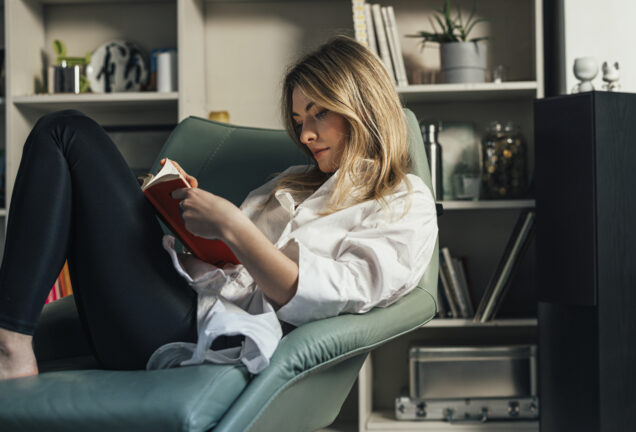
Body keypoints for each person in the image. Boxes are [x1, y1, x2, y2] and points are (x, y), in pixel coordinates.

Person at [0, 36, 438, 380]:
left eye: (317, 113)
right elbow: (221, 263)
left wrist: (232, 225)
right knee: (69, 149)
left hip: (197, 333)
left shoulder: (403, 200)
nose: (305, 135)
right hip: (175, 299)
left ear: (363, 107)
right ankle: (12, 337)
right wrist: (182, 217)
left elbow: (320, 295)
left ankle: (10, 344)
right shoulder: (289, 183)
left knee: (66, 133)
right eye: (300, 121)